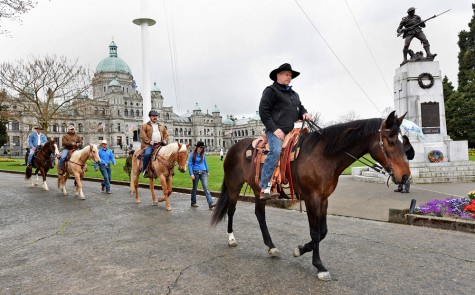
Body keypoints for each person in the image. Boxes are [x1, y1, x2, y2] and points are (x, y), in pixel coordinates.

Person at [258, 63, 312, 200]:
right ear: (278, 75)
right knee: (275, 151)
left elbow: (300, 108)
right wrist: (275, 129)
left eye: (291, 75)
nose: (289, 77)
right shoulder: (270, 91)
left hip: (293, 132)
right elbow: (263, 112)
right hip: (276, 131)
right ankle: (264, 186)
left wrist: (304, 114)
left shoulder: (294, 94)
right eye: (287, 74)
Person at [140, 110, 169, 177]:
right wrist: (149, 141)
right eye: (153, 116)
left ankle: (169, 169)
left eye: (156, 116)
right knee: (147, 154)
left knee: (168, 154)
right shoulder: (145, 126)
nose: (155, 117)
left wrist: (165, 140)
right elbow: (142, 135)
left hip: (160, 144)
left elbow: (166, 134)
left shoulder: (161, 126)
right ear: (150, 117)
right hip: (149, 145)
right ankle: (144, 170)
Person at [188, 141, 216, 210]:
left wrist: (207, 171)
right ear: (197, 147)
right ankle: (193, 202)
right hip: (195, 172)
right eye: (201, 148)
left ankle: (210, 204)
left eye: (202, 148)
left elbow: (205, 163)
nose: (201, 149)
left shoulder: (203, 154)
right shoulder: (192, 154)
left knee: (206, 188)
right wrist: (191, 174)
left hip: (203, 172)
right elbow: (190, 164)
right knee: (195, 188)